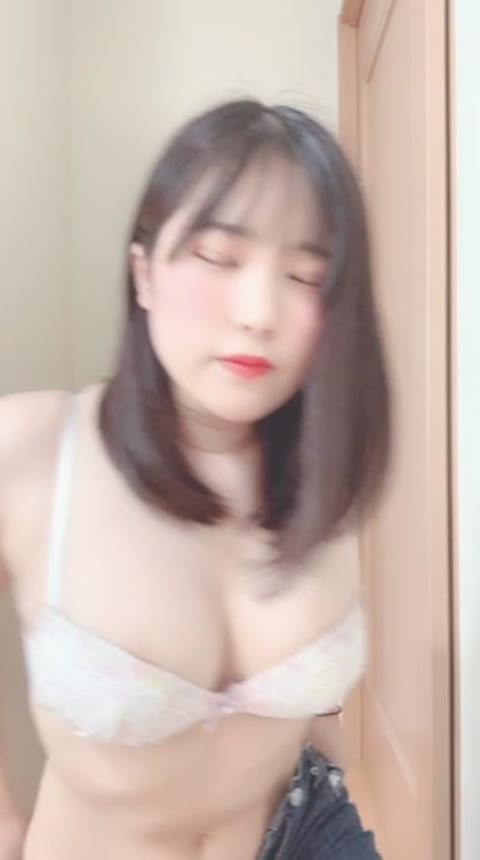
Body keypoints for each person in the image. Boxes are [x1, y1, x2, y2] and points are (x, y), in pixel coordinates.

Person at [0, 99, 390, 860]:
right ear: (144, 273)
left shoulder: (324, 472)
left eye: (307, 276)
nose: (258, 312)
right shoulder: (35, 449)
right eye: (218, 257)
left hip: (307, 829)